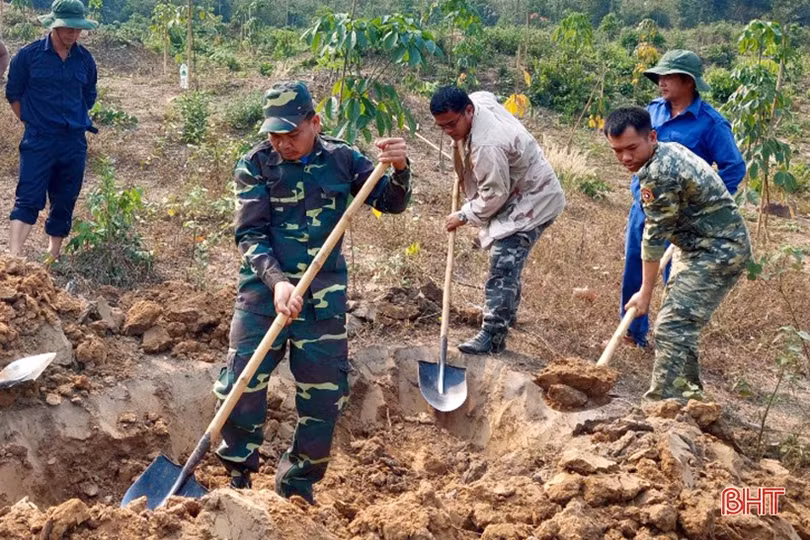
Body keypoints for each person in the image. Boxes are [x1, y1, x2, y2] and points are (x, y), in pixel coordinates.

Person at [214, 81, 411, 504]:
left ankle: (297, 487)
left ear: (315, 122)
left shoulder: (343, 160)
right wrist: (278, 282)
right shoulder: (255, 165)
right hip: (262, 297)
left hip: (322, 302)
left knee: (324, 399)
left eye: (292, 134)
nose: (282, 143)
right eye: (274, 135)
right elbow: (249, 234)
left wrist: (400, 168)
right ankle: (238, 481)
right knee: (240, 387)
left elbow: (392, 203)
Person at [605, 107, 751, 401]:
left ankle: (662, 406)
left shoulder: (660, 174)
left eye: (632, 148)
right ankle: (688, 396)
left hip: (718, 250)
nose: (625, 158)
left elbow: (654, 237)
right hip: (694, 244)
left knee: (672, 324)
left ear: (652, 137)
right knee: (680, 322)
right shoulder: (663, 154)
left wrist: (645, 292)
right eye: (617, 151)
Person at [621, 49, 745, 346]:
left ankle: (671, 339)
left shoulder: (710, 123)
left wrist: (701, 207)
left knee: (675, 277)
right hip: (646, 204)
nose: (661, 82)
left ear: (688, 82)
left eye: (668, 77)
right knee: (637, 263)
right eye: (659, 76)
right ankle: (632, 332)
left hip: (683, 217)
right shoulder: (653, 112)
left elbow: (733, 167)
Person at [430, 86, 565, 354]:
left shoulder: (486, 146)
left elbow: (494, 195)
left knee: (503, 263)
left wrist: (463, 215)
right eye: (441, 127)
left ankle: (493, 334)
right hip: (519, 189)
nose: (447, 131)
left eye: (452, 124)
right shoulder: (478, 101)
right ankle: (507, 314)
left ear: (469, 111)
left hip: (533, 201)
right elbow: (486, 94)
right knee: (509, 262)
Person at [4, 0, 98, 262]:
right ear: (54, 26)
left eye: (77, 29)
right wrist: (33, 122)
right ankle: (13, 258)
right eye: (68, 28)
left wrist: (71, 118)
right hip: (39, 139)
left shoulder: (85, 60)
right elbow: (13, 93)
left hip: (73, 141)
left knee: (65, 198)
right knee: (28, 197)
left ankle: (52, 255)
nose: (73, 34)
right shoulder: (29, 56)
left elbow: (88, 95)